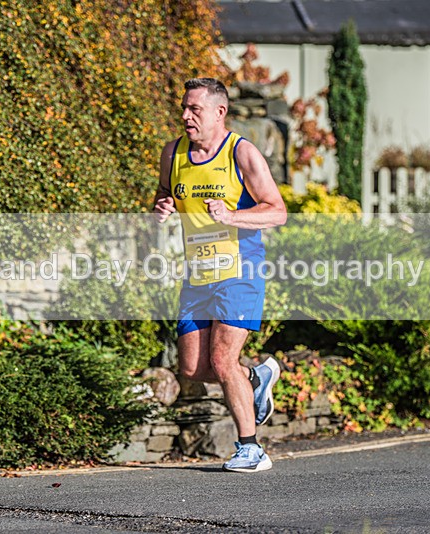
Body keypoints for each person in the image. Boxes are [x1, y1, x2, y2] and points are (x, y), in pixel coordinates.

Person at [153, 78, 287, 472]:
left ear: (219, 112)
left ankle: (251, 449)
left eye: (194, 109)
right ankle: (257, 376)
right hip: (197, 273)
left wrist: (232, 216)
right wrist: (160, 208)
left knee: (223, 360)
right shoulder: (172, 153)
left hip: (239, 270)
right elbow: (163, 195)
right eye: (184, 107)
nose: (185, 116)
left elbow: (277, 211)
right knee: (194, 369)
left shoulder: (241, 154)